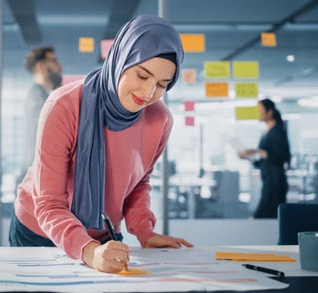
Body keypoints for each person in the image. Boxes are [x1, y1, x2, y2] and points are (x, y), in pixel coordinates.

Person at [11, 15, 193, 274]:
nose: (149, 92)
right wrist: (88, 251)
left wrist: (144, 231)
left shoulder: (160, 119)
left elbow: (138, 182)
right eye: (142, 75)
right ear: (121, 60)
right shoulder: (63, 106)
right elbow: (49, 202)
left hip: (103, 234)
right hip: (39, 230)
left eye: (162, 85)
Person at [240, 99, 291, 218]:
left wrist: (258, 151)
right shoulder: (267, 132)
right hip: (268, 178)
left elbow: (281, 156)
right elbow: (265, 161)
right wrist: (250, 157)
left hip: (275, 181)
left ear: (269, 112)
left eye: (259, 110)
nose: (257, 113)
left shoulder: (277, 131)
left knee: (267, 214)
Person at [21, 46, 62, 168]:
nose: (59, 67)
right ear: (40, 66)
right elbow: (51, 130)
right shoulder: (37, 97)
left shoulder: (42, 95)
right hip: (37, 171)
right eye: (54, 61)